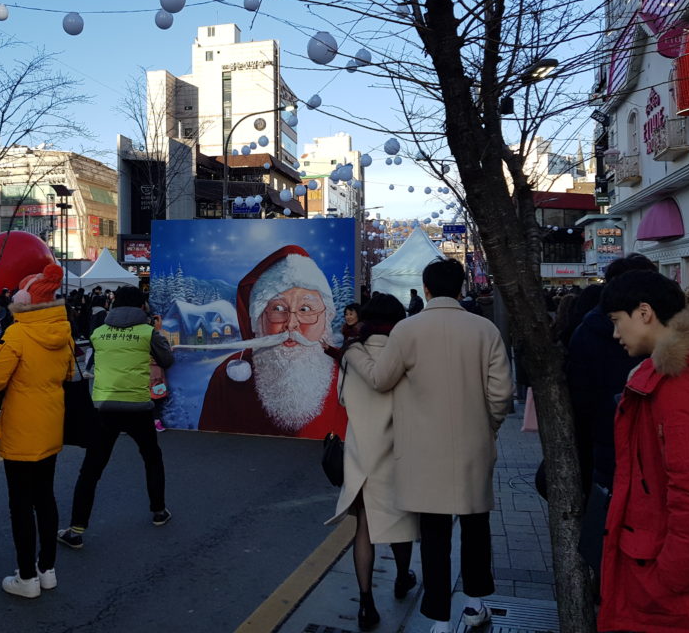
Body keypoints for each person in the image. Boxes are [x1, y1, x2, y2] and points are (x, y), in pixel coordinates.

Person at [363, 259, 512, 633]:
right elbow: (502, 394)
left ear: (425, 290)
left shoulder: (408, 330)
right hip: (473, 446)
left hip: (423, 450)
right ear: (461, 288)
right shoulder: (485, 329)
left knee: (434, 535)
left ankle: (439, 619)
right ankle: (476, 604)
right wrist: (487, 426)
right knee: (476, 526)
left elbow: (381, 380)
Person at [598, 270, 689, 633]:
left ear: (644, 313)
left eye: (616, 321)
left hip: (681, 592)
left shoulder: (681, 384)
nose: (615, 333)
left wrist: (669, 577)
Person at [57, 285, 174, 549]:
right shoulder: (147, 333)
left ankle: (76, 529)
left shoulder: (99, 333)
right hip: (138, 407)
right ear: (141, 307)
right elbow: (166, 360)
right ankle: (159, 511)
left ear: (114, 305)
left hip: (103, 407)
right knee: (152, 459)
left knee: (91, 470)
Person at [328, 294, 418, 632]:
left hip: (360, 450)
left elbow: (340, 397)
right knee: (401, 518)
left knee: (363, 527)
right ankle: (401, 578)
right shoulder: (405, 354)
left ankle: (366, 603)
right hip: (396, 449)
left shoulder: (353, 355)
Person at [0, 266, 72, 598]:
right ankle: (47, 570)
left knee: (20, 504)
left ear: (22, 301)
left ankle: (26, 577)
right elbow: (65, 374)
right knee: (45, 498)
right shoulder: (61, 331)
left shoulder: (18, 334)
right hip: (51, 423)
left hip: (22, 426)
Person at [198, 245, 341, 438]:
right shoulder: (228, 375)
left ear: (326, 317)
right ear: (259, 321)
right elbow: (210, 442)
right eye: (278, 309)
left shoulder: (344, 373)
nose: (291, 324)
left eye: (306, 309)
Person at [564, 253, 656, 496]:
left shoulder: (586, 331)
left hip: (603, 446)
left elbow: (580, 402)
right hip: (631, 448)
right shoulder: (663, 336)